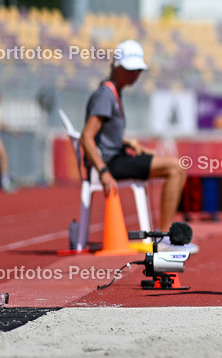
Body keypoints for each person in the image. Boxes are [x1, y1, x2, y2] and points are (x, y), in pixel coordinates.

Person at [79, 40, 191, 247]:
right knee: (175, 167)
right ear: (117, 66)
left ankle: (165, 233)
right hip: (110, 163)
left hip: (116, 156)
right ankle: (165, 237)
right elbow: (86, 137)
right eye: (131, 70)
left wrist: (128, 142)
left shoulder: (113, 91)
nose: (136, 75)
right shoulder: (106, 94)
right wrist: (103, 172)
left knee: (178, 166)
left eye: (138, 70)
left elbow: (102, 135)